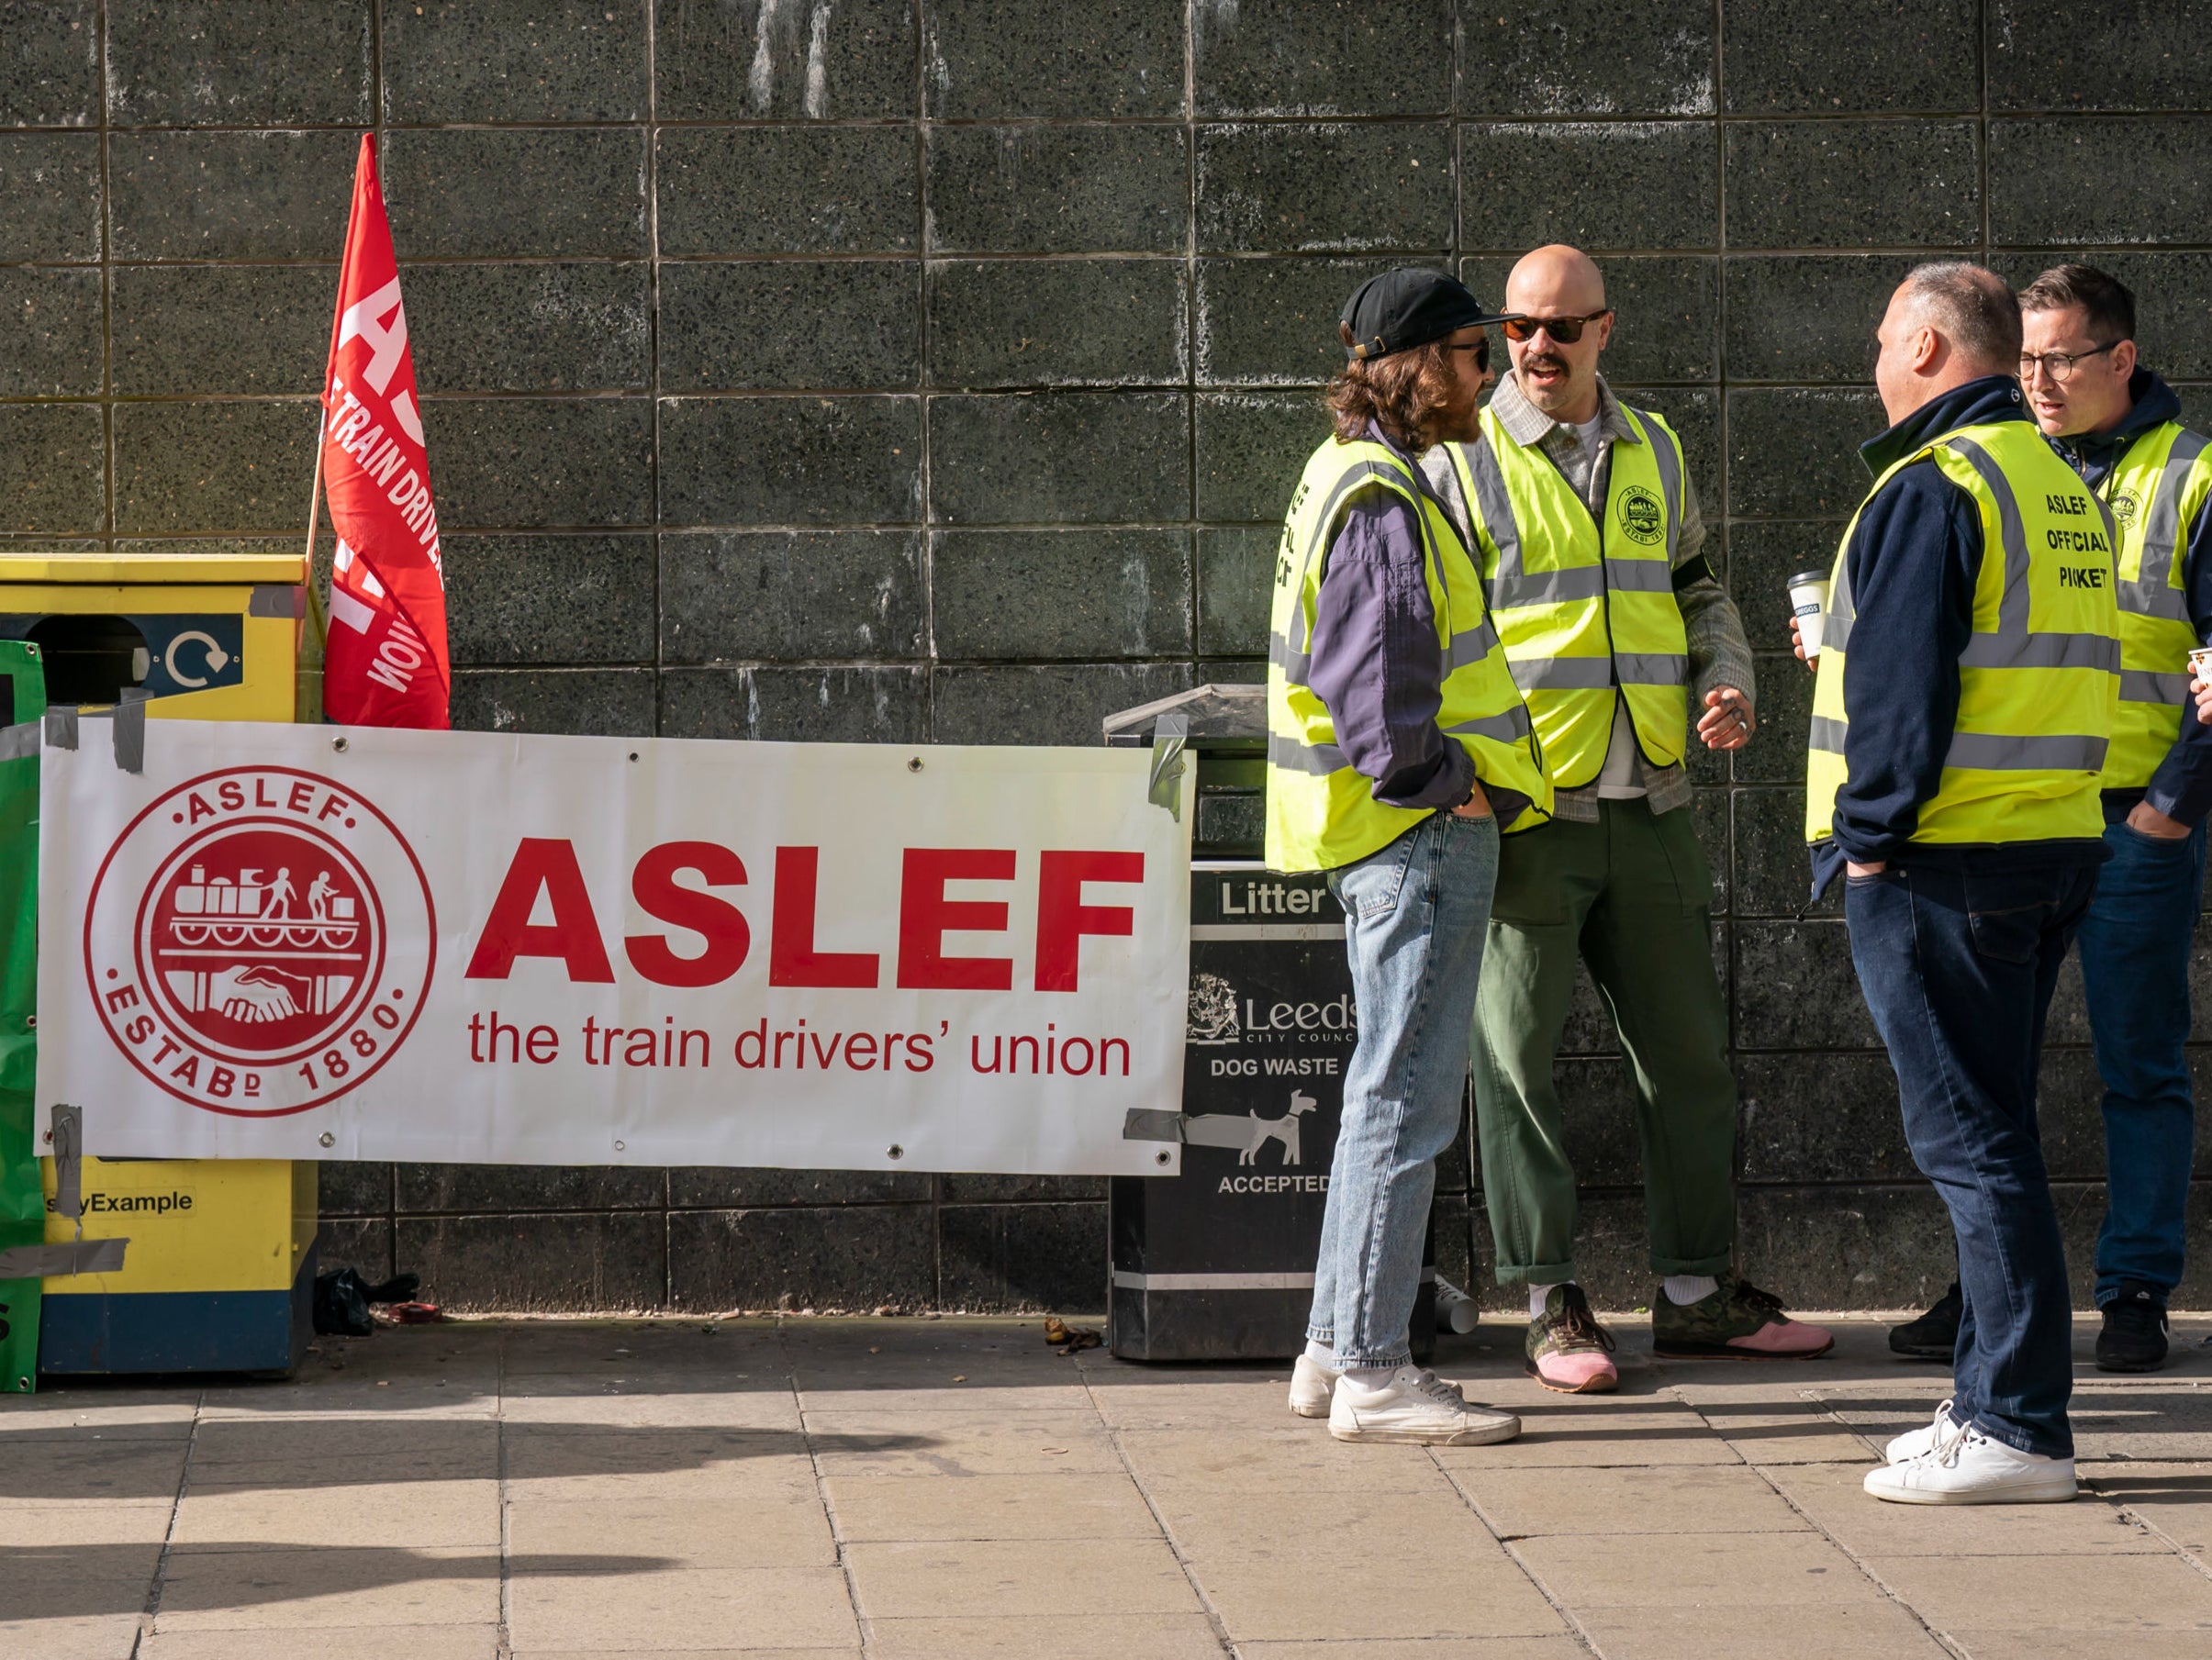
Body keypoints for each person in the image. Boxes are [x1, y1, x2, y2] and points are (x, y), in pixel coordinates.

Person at [1422, 245, 1830, 1393]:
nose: (1534, 349)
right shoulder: (1459, 457)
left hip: (1650, 796)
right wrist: (1459, 770)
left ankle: (1696, 1293)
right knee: (1514, 1063)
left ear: (1607, 330)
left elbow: (1696, 585)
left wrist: (1731, 673)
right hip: (1525, 808)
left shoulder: (1652, 445)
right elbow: (1434, 620)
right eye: (1514, 330)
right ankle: (1550, 1301)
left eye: (1559, 329)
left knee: (1689, 1058)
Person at [1801, 262, 2120, 1504]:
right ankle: (1984, 1396)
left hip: (1939, 862)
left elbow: (1899, 694)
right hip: (2044, 846)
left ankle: (2016, 1424)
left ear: (1930, 348)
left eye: (1883, 338)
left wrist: (1867, 839)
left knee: (1971, 1142)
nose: (1873, 360)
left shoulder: (1931, 484)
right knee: (1995, 1132)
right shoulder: (2052, 481)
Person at [1887, 265, 2212, 1376]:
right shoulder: (2013, 464)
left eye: (2060, 359)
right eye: (2024, 359)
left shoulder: (2188, 476)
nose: (2037, 379)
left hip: (2131, 819)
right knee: (1985, 1074)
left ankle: (2132, 1291)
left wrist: (2171, 808)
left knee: (2138, 1064)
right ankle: (1985, 1296)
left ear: (2121, 359)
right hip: (2018, 817)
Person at [1267, 269, 1552, 1444]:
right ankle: (1379, 1369)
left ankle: (1335, 1348)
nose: (1490, 373)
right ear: (1421, 364)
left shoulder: (1344, 475)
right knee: (1405, 1101)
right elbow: (1380, 700)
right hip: (1417, 834)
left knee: (1377, 1093)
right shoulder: (1383, 494)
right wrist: (1460, 791)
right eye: (1477, 350)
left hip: (1383, 838)